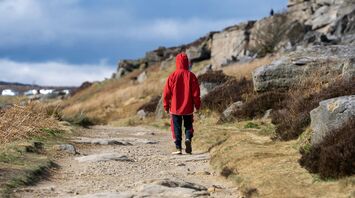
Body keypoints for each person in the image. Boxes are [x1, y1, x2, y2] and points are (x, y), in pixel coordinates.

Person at [163, 52, 201, 155]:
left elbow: (166, 92)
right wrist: (197, 106)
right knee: (188, 126)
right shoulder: (191, 75)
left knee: (176, 127)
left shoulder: (172, 76)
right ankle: (188, 138)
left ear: (177, 62)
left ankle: (178, 148)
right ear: (187, 62)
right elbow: (196, 94)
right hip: (188, 108)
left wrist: (166, 106)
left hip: (175, 108)